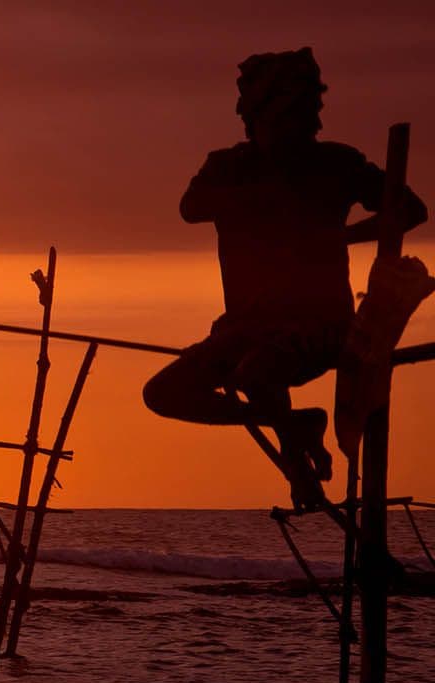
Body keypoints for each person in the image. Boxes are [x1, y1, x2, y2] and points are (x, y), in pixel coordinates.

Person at [144, 48, 425, 506]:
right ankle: (296, 427)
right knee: (163, 392)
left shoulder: (335, 163)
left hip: (321, 325)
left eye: (300, 117)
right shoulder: (229, 168)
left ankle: (299, 471)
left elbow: (411, 210)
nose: (292, 129)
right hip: (247, 326)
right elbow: (189, 208)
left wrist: (341, 235)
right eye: (279, 118)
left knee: (258, 371)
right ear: (254, 118)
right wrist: (262, 199)